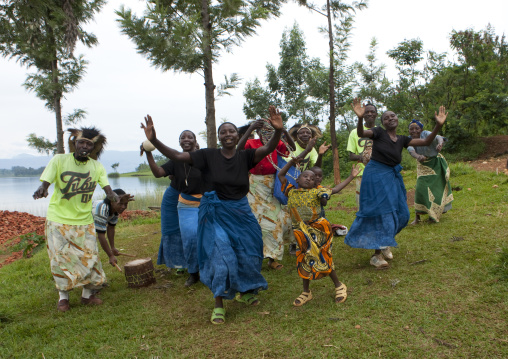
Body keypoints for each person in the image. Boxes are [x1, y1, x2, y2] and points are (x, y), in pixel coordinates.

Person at [141, 106, 284, 325]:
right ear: (218, 137)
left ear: (238, 135)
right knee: (220, 253)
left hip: (241, 211)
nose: (227, 135)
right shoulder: (208, 155)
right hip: (214, 211)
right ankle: (219, 303)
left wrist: (278, 131)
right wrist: (155, 141)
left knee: (250, 250)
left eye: (231, 131)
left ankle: (245, 291)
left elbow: (268, 149)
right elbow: (178, 156)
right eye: (223, 132)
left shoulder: (245, 156)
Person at [344, 99, 448, 268]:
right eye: (386, 118)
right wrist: (360, 118)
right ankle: (376, 256)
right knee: (381, 212)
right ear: (383, 122)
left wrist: (438, 125)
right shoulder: (378, 132)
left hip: (392, 176)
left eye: (393, 116)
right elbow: (362, 133)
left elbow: (426, 142)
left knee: (403, 214)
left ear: (397, 120)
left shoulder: (402, 139)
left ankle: (385, 242)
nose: (390, 118)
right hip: (375, 176)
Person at [33, 127, 119, 312]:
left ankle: (87, 295)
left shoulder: (96, 167)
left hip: (84, 221)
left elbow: (108, 189)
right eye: (81, 143)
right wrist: (43, 189)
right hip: (58, 220)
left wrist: (114, 196)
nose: (84, 147)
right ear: (74, 143)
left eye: (89, 144)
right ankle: (63, 297)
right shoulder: (59, 160)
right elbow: (45, 182)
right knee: (60, 259)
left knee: (90, 257)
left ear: (93, 148)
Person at [278, 151, 360, 306]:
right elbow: (281, 175)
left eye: (312, 178)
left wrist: (351, 177)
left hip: (319, 230)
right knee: (303, 259)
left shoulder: (317, 192)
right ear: (297, 179)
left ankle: (339, 285)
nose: (309, 179)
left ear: (316, 183)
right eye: (305, 176)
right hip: (300, 232)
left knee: (322, 257)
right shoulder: (291, 191)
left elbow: (335, 190)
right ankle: (306, 292)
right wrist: (291, 162)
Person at [142, 130, 202, 287]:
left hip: (204, 201)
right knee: (184, 233)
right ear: (179, 142)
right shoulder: (175, 161)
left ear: (196, 142)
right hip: (184, 200)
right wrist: (149, 153)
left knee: (204, 234)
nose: (186, 139)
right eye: (183, 137)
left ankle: (206, 265)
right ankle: (189, 270)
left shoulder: (204, 158)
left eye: (190, 137)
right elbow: (158, 173)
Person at [237, 119, 295, 271]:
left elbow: (292, 148)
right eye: (264, 131)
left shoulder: (277, 143)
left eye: (271, 131)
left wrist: (283, 130)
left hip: (273, 185)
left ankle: (272, 257)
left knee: (275, 221)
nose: (267, 134)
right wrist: (249, 129)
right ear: (257, 132)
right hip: (255, 186)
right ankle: (255, 255)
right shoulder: (251, 144)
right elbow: (238, 149)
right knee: (257, 222)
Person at [407, 120, 453, 224]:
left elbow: (437, 137)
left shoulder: (426, 134)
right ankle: (417, 218)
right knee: (419, 188)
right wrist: (418, 156)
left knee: (436, 189)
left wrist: (440, 144)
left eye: (416, 128)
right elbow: (411, 150)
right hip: (423, 166)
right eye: (411, 129)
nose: (414, 131)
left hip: (435, 164)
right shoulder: (409, 139)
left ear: (421, 129)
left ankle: (434, 215)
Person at [347, 103, 377, 208]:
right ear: (362, 115)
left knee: (378, 199)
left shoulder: (381, 131)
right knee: (362, 203)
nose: (369, 114)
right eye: (366, 112)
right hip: (361, 173)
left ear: (376, 114)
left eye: (372, 112)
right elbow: (351, 156)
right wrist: (365, 157)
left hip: (378, 172)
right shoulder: (354, 132)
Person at [92, 189, 134, 259]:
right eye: (120, 204)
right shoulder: (102, 209)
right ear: (112, 202)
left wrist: (112, 248)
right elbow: (101, 235)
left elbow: (111, 227)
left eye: (125, 204)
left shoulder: (115, 210)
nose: (123, 207)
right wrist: (110, 256)